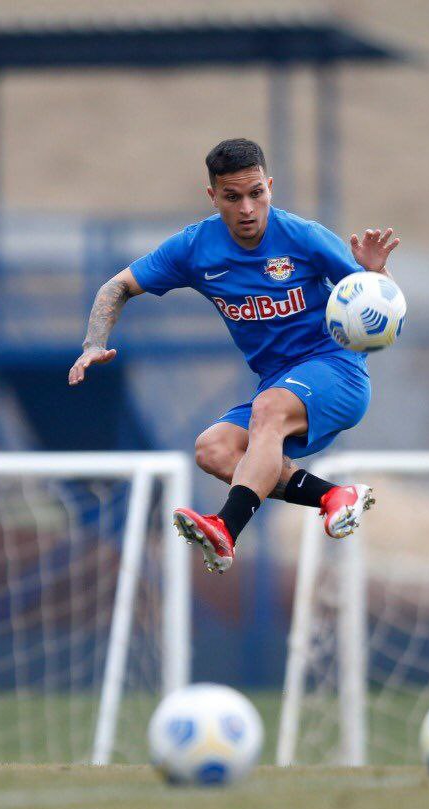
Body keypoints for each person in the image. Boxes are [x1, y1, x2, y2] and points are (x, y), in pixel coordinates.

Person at [68, 137, 399, 573]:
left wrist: (377, 274)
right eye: (232, 197)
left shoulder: (305, 237)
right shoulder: (193, 248)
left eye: (256, 193)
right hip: (277, 385)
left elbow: (384, 314)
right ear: (213, 196)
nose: (246, 208)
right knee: (213, 449)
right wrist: (94, 343)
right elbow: (117, 286)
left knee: (268, 408)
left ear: (270, 188)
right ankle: (333, 496)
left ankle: (226, 528)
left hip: (337, 373)